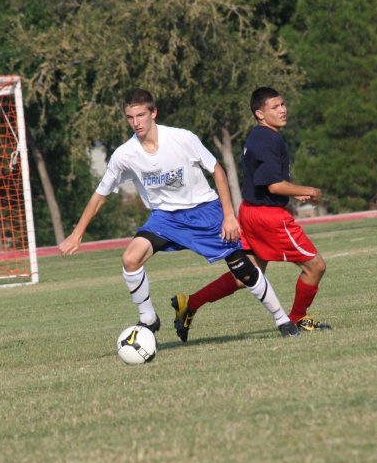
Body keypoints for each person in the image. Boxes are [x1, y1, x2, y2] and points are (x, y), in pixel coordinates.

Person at [59, 88, 301, 338]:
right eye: (130, 117)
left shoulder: (182, 138)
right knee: (130, 259)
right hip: (165, 218)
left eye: (141, 115)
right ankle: (149, 319)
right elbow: (100, 195)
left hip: (205, 211)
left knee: (243, 269)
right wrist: (77, 234)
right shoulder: (124, 155)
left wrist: (229, 215)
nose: (136, 122)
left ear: (154, 113)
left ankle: (282, 320)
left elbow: (217, 170)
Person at [171, 86, 331, 342]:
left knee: (247, 275)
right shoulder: (270, 139)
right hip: (269, 218)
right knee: (315, 266)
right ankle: (298, 318)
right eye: (275, 107)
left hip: (250, 212)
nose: (282, 110)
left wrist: (291, 193)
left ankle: (189, 303)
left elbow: (267, 182)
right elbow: (273, 185)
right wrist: (309, 190)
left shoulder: (258, 136)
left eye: (282, 104)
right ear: (260, 113)